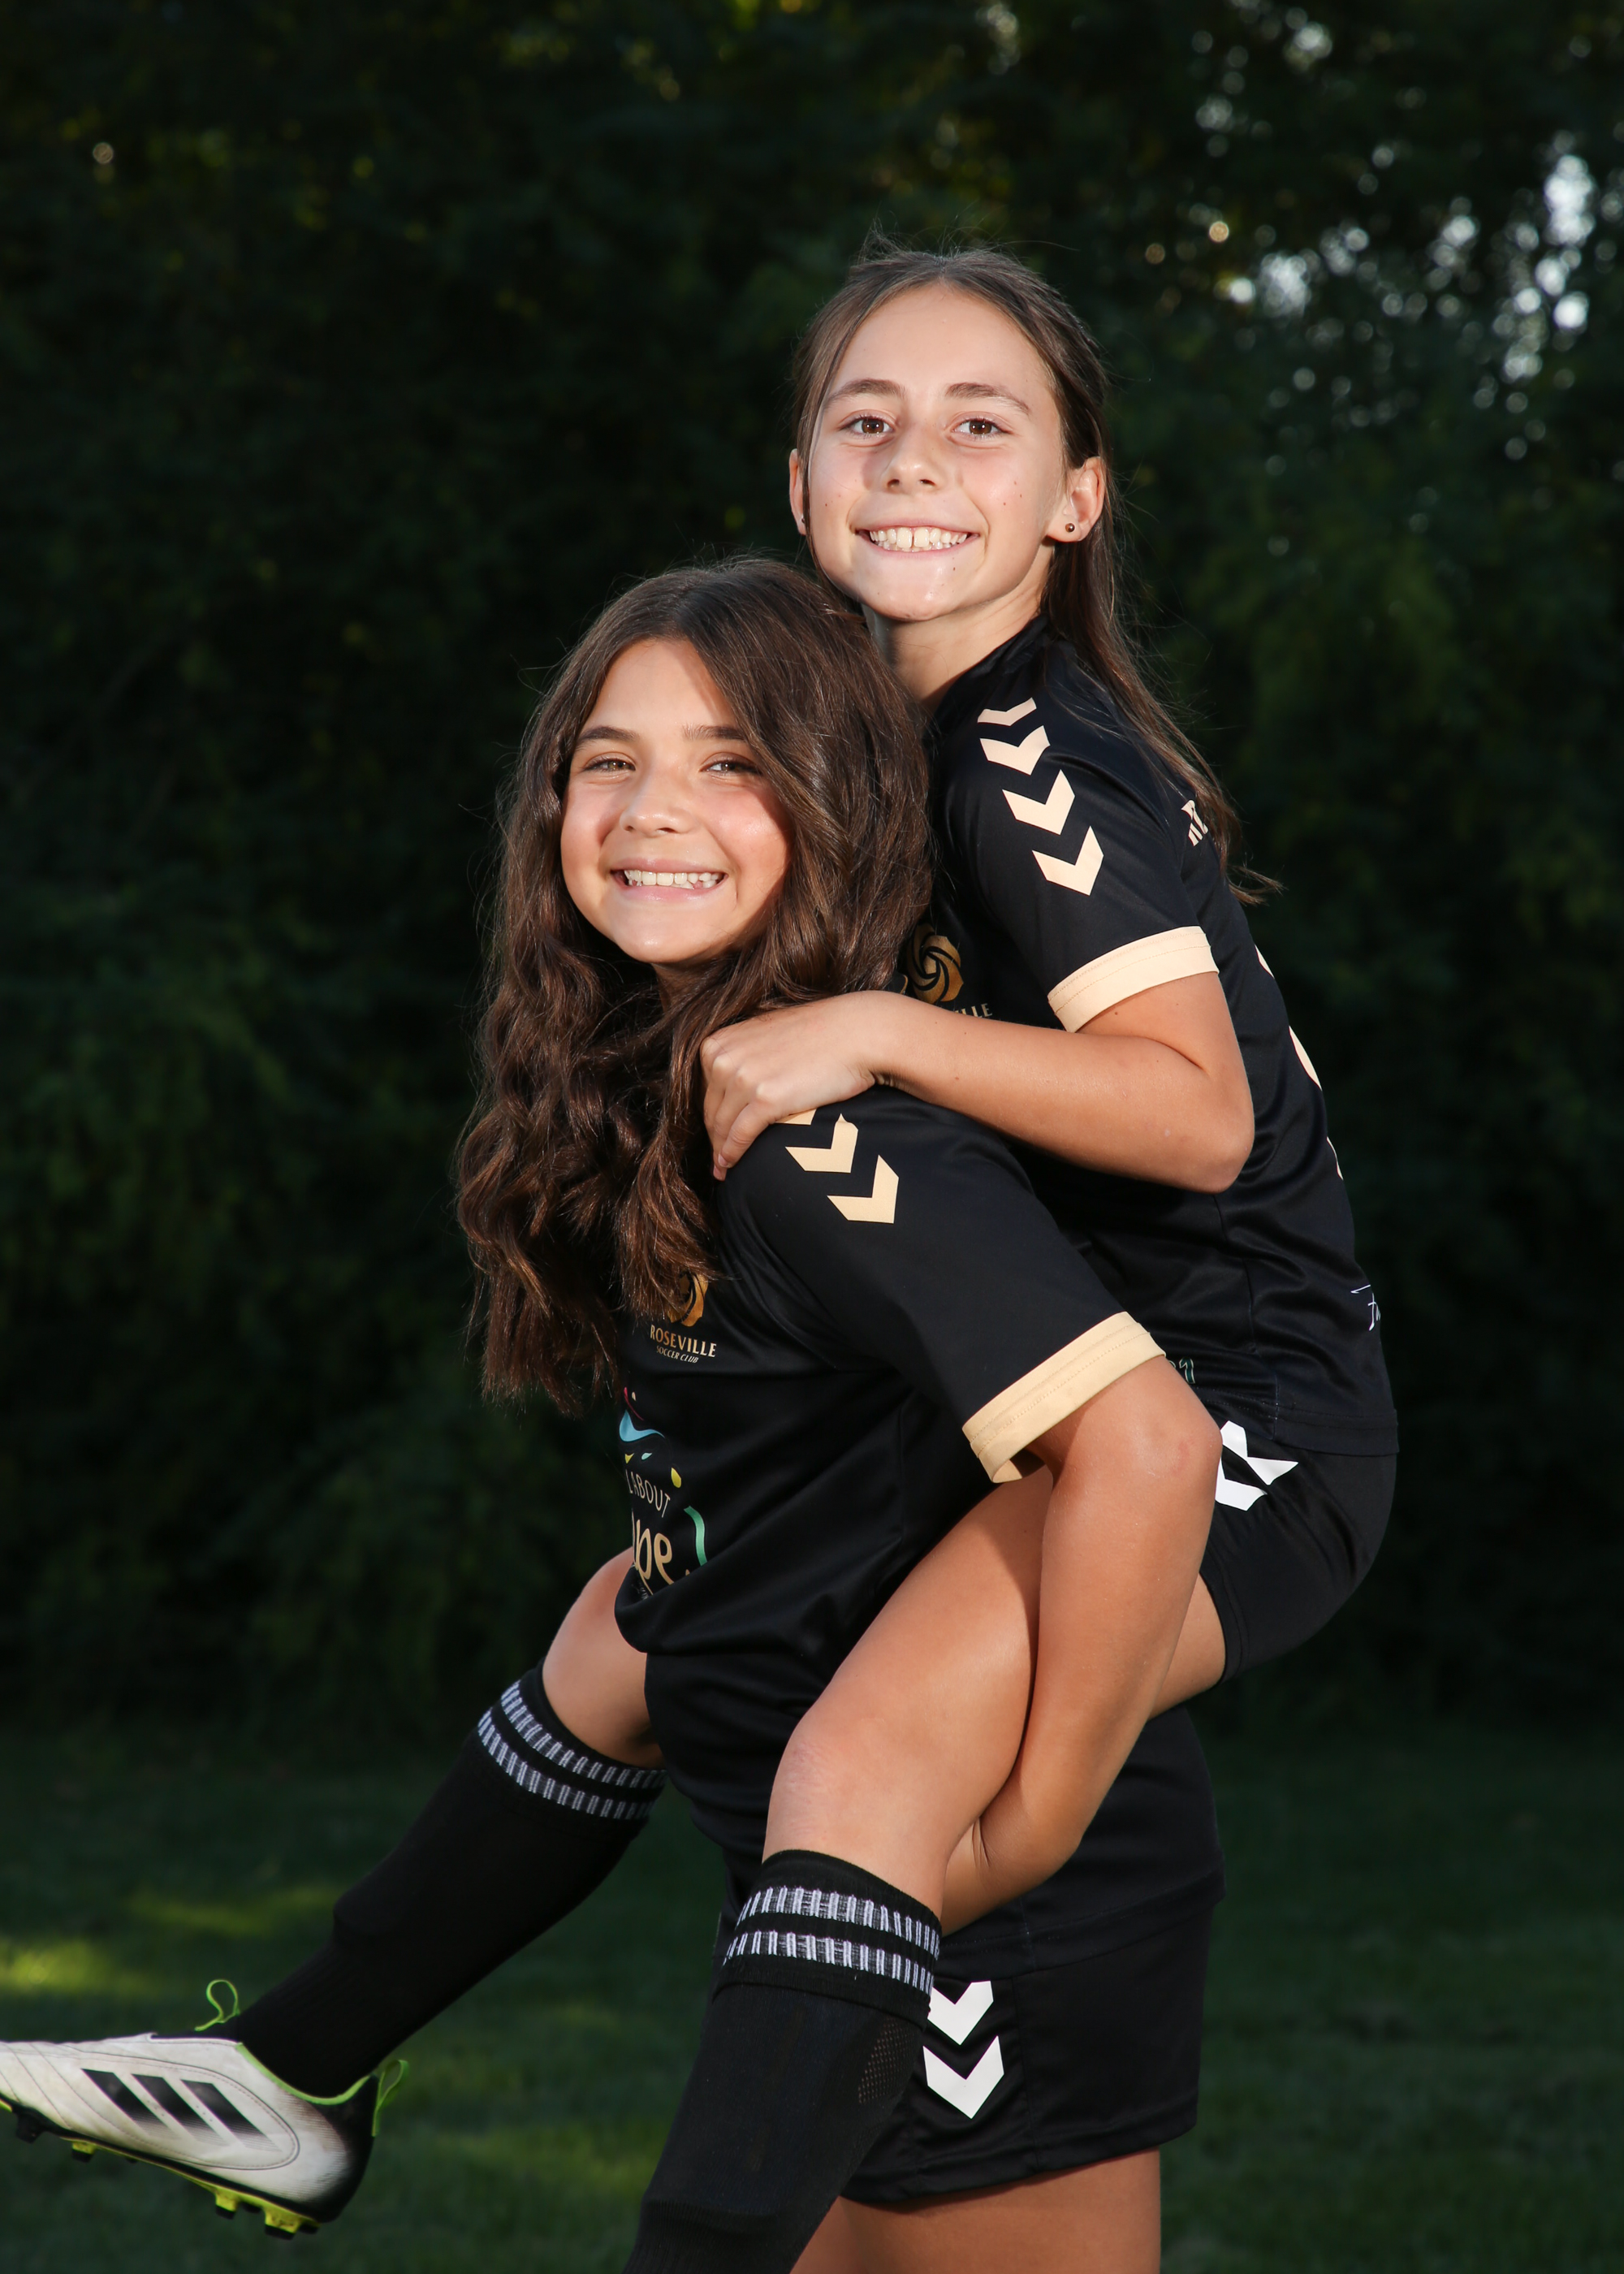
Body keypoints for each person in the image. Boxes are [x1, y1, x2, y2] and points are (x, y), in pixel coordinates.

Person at [0, 562, 1223, 2274]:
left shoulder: (836, 1143)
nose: (654, 809)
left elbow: (1150, 1447)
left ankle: (298, 2068)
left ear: (841, 804)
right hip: (818, 1868)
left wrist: (1031, 1824)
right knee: (627, 1609)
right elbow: (726, 1556)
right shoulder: (686, 1092)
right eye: (609, 759)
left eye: (732, 763)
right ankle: (294, 2065)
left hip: (974, 1919)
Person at [702, 243, 1397, 1743]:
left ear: (1076, 498)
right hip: (1036, 1376)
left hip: (1233, 1414)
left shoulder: (1030, 762)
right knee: (640, 1648)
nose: (912, 461)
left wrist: (878, 1031)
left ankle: (977, 1880)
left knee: (873, 1769)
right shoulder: (892, 753)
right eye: (867, 420)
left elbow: (1200, 1118)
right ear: (803, 484)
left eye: (980, 424)